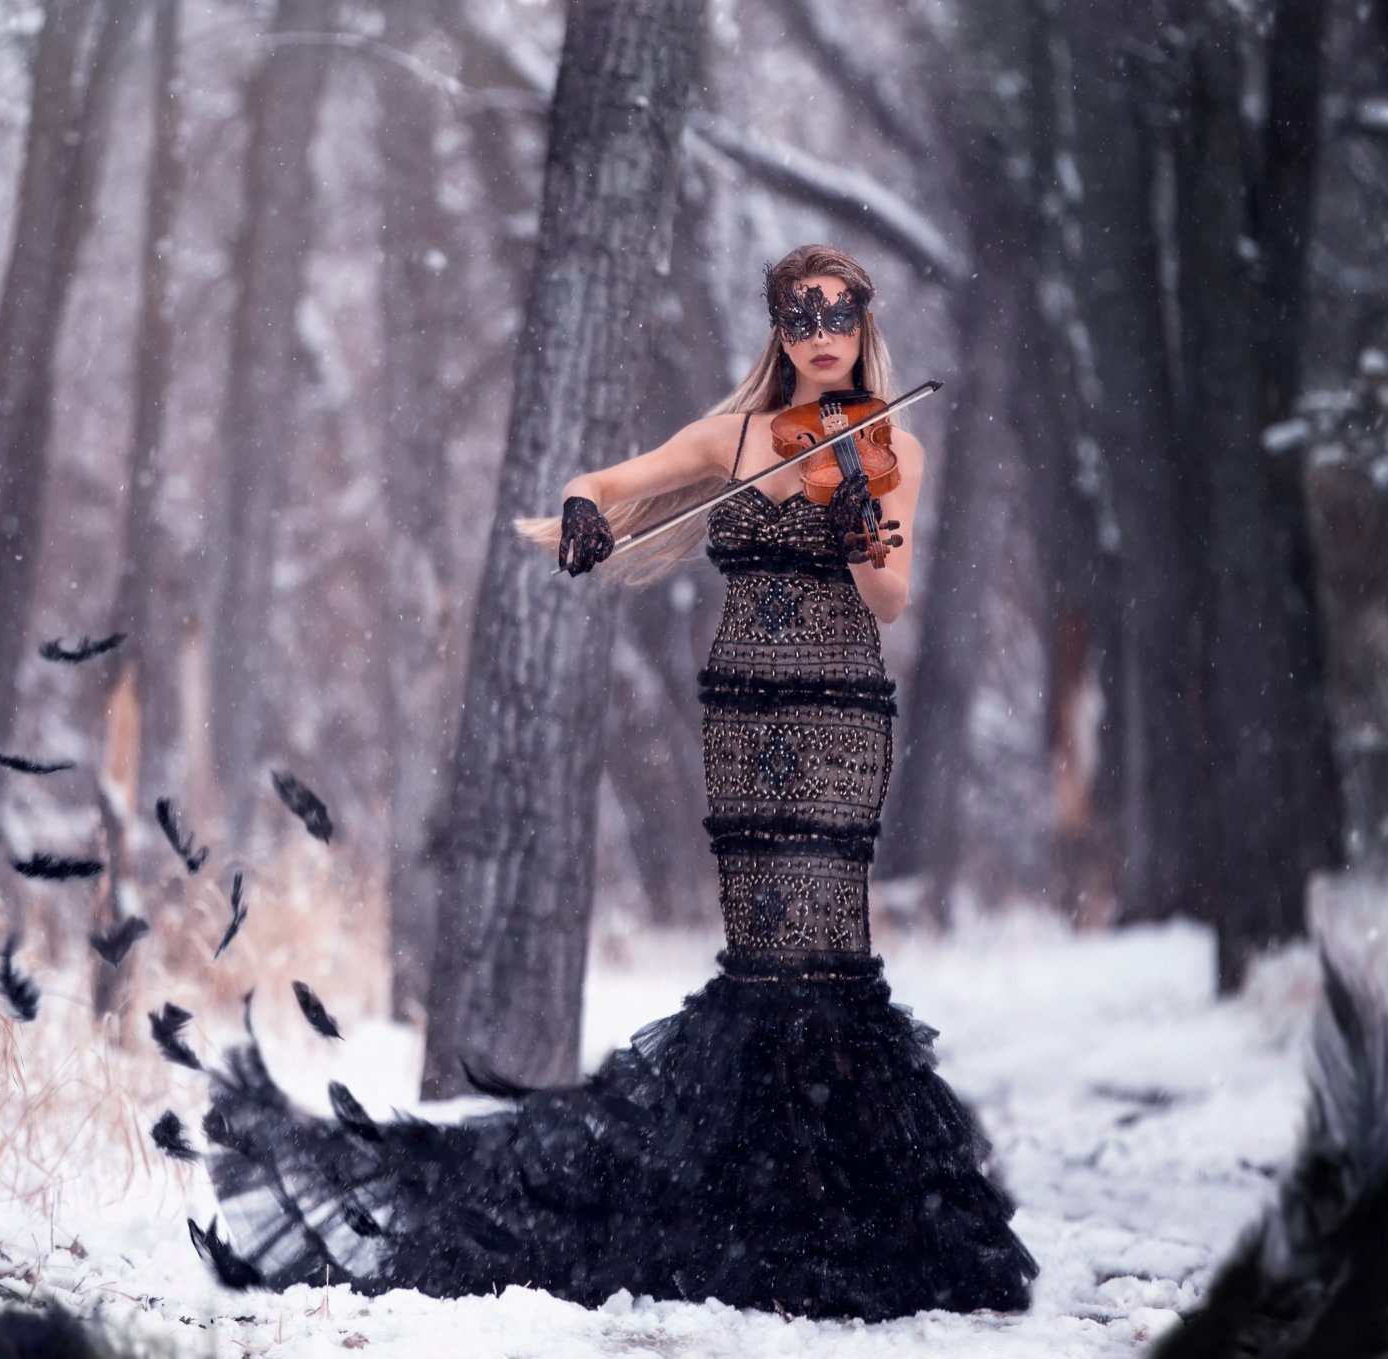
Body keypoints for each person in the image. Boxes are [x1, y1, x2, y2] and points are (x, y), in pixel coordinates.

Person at [185, 243, 1038, 1320]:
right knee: (766, 950)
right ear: (779, 329)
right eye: (799, 315)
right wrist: (585, 515)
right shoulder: (731, 438)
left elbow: (890, 596)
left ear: (862, 327)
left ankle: (830, 1211)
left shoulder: (889, 446)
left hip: (835, 714)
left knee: (822, 947)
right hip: (741, 716)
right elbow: (606, 483)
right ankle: (767, 1204)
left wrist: (857, 500)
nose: (819, 333)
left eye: (838, 315)